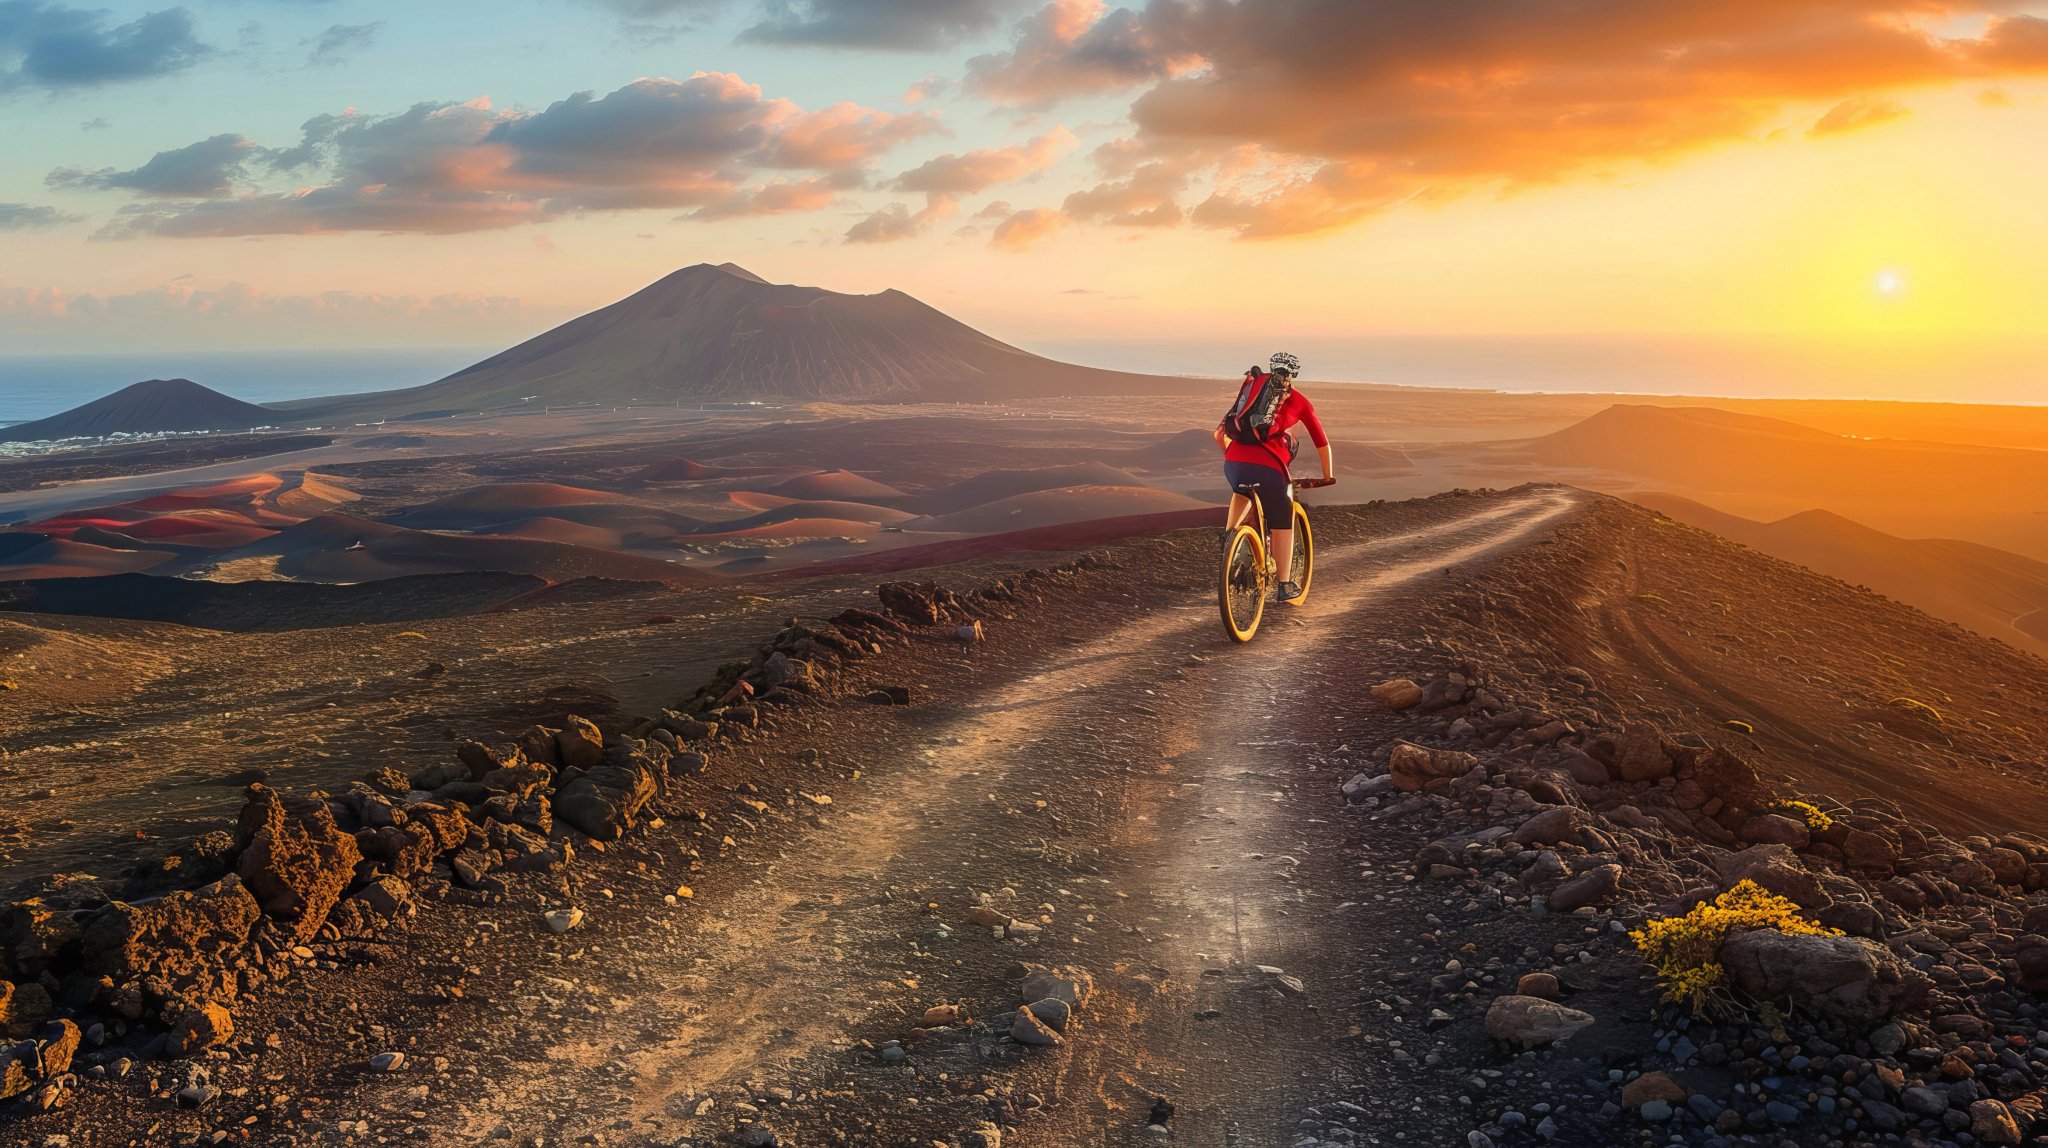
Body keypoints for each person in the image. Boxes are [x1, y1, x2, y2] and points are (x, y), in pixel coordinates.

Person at [1214, 351, 1333, 602]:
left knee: (1242, 490)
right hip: (1269, 469)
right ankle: (1284, 584)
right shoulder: (1299, 401)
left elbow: (1219, 434)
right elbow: (1322, 442)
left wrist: (1236, 457)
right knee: (1282, 518)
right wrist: (1327, 475)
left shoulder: (1252, 390)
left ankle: (1228, 538)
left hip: (1233, 464)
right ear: (1294, 374)